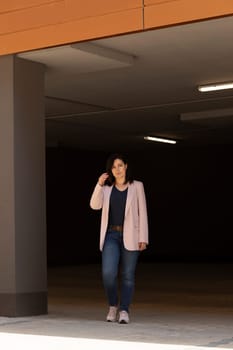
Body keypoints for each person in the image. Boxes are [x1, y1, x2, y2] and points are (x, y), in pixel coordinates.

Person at [90, 153, 149, 324]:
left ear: (126, 166)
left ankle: (124, 310)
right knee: (108, 273)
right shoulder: (107, 188)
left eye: (120, 165)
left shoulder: (137, 186)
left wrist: (143, 237)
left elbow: (142, 213)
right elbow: (94, 206)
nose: (117, 169)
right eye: (114, 166)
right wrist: (99, 184)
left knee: (128, 275)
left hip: (132, 235)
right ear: (110, 170)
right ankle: (112, 305)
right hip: (111, 235)